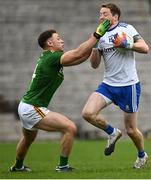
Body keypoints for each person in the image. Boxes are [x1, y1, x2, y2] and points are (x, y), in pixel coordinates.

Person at [9, 20, 110, 172]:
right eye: (58, 38)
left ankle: (17, 167)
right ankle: (63, 166)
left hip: (27, 105)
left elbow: (80, 58)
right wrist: (96, 35)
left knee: (28, 139)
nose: (62, 40)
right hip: (32, 107)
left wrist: (95, 43)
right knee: (70, 128)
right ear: (50, 43)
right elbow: (78, 53)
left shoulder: (51, 58)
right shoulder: (52, 57)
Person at [82, 3, 149, 169]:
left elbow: (145, 48)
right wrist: (96, 43)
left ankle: (142, 155)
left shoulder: (127, 28)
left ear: (115, 16)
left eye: (105, 14)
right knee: (87, 113)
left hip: (129, 85)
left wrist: (127, 44)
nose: (101, 17)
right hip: (108, 85)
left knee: (132, 130)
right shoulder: (100, 35)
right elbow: (94, 65)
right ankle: (113, 132)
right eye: (100, 14)